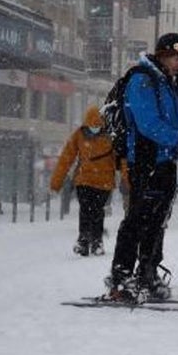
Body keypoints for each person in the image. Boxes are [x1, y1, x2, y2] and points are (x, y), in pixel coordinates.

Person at [105, 33, 178, 301]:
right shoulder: (142, 79)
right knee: (138, 219)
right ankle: (121, 276)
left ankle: (147, 271)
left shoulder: (164, 81)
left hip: (165, 159)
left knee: (158, 220)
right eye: (177, 57)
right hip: (145, 160)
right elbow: (148, 123)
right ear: (163, 55)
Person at [50, 105, 127, 256]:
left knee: (89, 210)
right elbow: (121, 160)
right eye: (93, 126)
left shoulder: (84, 135)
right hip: (96, 182)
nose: (94, 128)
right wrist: (56, 181)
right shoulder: (106, 137)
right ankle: (94, 242)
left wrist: (57, 181)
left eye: (97, 125)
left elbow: (66, 158)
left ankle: (85, 240)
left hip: (92, 182)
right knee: (94, 211)